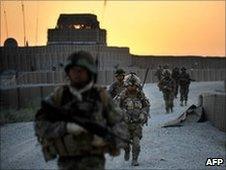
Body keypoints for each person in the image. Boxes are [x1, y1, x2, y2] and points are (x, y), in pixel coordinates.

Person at [34, 51, 128, 170]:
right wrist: (65, 127)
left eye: (81, 70)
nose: (77, 74)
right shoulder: (59, 96)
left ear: (89, 71)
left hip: (94, 162)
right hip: (66, 162)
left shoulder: (101, 96)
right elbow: (40, 125)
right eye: (73, 70)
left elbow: (121, 125)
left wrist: (105, 140)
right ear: (68, 71)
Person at [116, 73, 150, 166]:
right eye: (130, 85)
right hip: (125, 124)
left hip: (137, 124)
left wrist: (143, 113)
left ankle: (134, 159)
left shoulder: (140, 94)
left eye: (134, 85)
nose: (132, 88)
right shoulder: (122, 95)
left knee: (136, 144)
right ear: (126, 85)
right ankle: (127, 150)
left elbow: (146, 106)